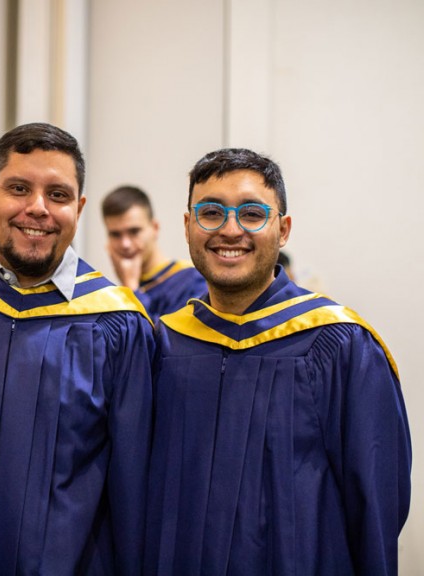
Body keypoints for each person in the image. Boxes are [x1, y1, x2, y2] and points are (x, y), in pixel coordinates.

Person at [0, 122, 155, 575]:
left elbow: (131, 489)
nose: (37, 208)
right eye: (19, 188)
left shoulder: (119, 325)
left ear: (78, 209)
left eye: (58, 195)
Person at [146, 148, 411, 575]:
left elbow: (377, 508)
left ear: (283, 229)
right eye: (211, 213)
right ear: (188, 226)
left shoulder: (339, 345)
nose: (230, 231)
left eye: (252, 214)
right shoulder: (164, 346)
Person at [102, 185, 206, 321]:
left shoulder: (193, 280)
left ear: (155, 228)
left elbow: (164, 341)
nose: (125, 244)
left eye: (134, 231)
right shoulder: (111, 296)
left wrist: (132, 288)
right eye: (115, 234)